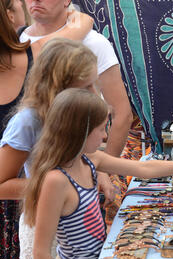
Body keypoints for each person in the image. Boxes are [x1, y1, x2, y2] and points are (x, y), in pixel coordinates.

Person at [28, 88, 173, 259]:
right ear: (80, 131)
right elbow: (40, 251)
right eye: (101, 129)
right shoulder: (56, 181)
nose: (106, 135)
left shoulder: (90, 160)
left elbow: (144, 169)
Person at [0, 2, 93, 259]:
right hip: (39, 211)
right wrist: (57, 187)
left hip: (62, 214)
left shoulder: (64, 107)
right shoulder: (28, 120)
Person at [20, 0, 134, 206]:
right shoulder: (15, 43)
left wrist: (102, 172)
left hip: (80, 176)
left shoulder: (93, 42)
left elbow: (122, 114)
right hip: (22, 180)